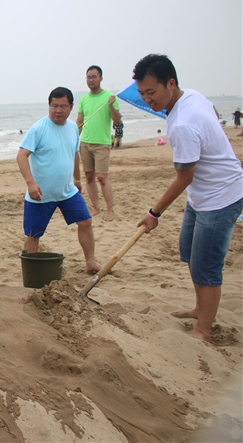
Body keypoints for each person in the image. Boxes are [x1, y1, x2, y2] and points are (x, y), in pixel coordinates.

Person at [133, 54, 243, 342]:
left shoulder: (181, 123)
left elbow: (184, 177)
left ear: (171, 83)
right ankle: (199, 308)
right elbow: (214, 113)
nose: (147, 100)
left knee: (207, 264)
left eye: (152, 92)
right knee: (191, 251)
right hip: (202, 194)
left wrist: (153, 214)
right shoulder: (191, 95)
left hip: (221, 196)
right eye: (142, 93)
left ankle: (203, 329)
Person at [17, 87, 101, 273]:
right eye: (54, 105)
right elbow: (22, 156)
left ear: (71, 107)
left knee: (86, 222)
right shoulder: (39, 128)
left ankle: (90, 262)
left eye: (63, 106)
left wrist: (77, 181)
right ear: (49, 105)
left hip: (67, 191)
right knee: (33, 234)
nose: (58, 110)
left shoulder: (73, 128)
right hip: (40, 194)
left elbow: (74, 154)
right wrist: (30, 183)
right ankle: (30, 271)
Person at [76, 65, 122, 222]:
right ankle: (96, 208)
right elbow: (80, 121)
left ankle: (110, 210)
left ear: (101, 78)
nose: (91, 79)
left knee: (102, 177)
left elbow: (117, 120)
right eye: (89, 77)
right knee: (89, 177)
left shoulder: (109, 97)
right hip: (85, 143)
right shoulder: (84, 99)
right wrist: (73, 138)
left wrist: (110, 105)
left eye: (94, 76)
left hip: (102, 143)